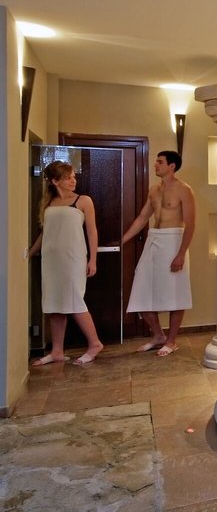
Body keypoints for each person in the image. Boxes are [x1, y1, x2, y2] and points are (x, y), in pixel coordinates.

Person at [28, 161, 104, 365]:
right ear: (55, 181)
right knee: (54, 305)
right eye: (68, 178)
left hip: (73, 259)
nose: (73, 181)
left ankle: (95, 343)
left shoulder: (83, 201)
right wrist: (30, 253)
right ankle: (57, 351)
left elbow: (92, 231)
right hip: (51, 260)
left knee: (74, 301)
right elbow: (46, 232)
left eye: (74, 177)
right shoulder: (49, 203)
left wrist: (93, 259)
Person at [122, 150, 195, 357]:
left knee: (175, 292)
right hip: (154, 239)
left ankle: (171, 341)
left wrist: (181, 254)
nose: (155, 165)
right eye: (156, 161)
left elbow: (191, 224)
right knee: (141, 289)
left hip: (174, 241)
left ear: (172, 166)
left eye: (160, 162)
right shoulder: (154, 190)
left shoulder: (184, 190)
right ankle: (158, 336)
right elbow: (142, 218)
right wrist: (122, 240)